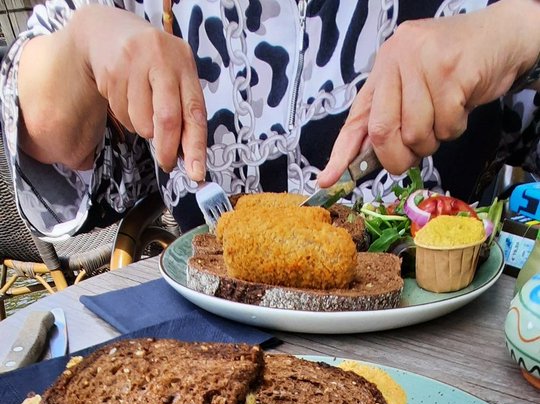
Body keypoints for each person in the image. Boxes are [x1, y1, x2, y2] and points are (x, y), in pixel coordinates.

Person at [1, 0, 540, 244]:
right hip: (217, 328)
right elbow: (51, 139)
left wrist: (517, 27)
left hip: (443, 331)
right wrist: (80, 42)